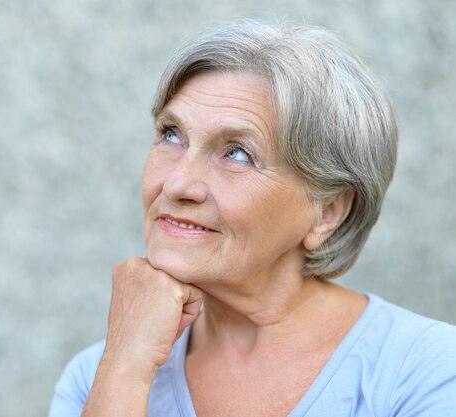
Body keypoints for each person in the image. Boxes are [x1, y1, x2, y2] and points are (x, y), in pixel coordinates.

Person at [48, 20, 456, 417]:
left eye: (237, 153)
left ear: (327, 212)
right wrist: (125, 367)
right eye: (171, 134)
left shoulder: (427, 372)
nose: (177, 184)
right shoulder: (96, 376)